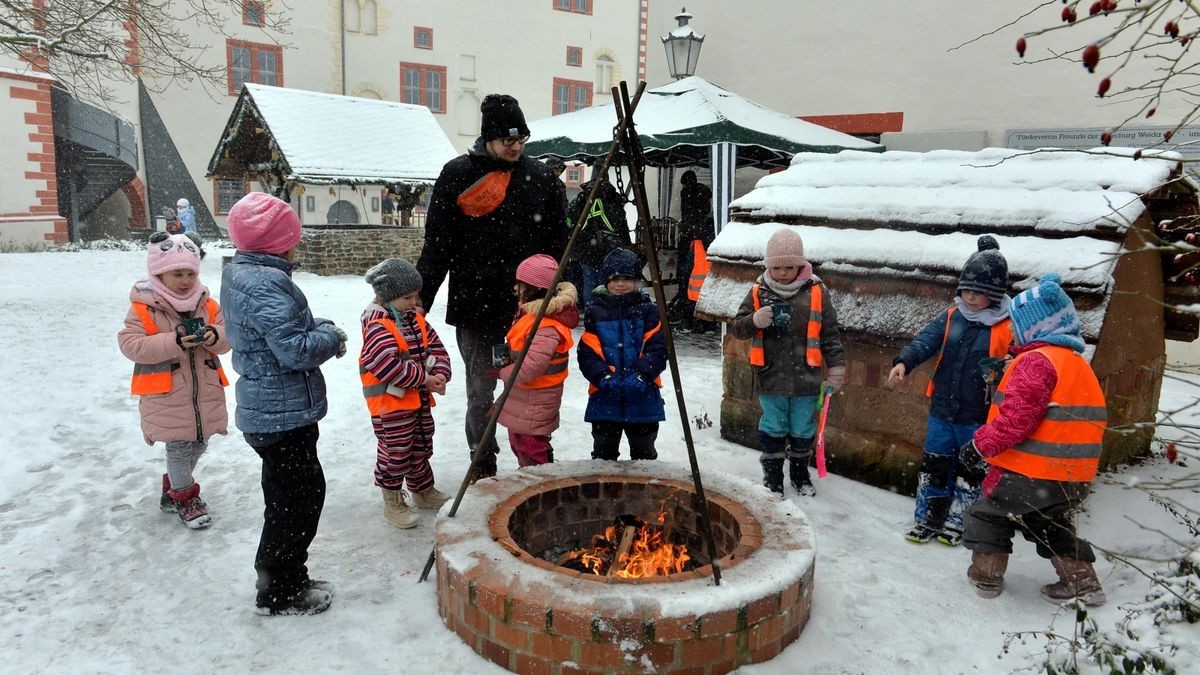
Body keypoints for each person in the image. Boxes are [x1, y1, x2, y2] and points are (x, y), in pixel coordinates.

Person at [416, 93, 566, 481]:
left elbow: (558, 245)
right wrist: (420, 300)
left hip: (528, 309)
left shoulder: (541, 178)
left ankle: (532, 464)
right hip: (476, 307)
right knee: (481, 392)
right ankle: (482, 463)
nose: (516, 147)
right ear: (488, 139)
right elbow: (438, 245)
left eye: (522, 140)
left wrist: (561, 292)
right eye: (507, 141)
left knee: (527, 387)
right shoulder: (458, 174)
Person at [220, 192, 349, 617]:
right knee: (295, 503)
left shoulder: (244, 271)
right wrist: (331, 334)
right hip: (280, 413)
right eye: (292, 235)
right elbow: (295, 350)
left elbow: (280, 333)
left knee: (293, 498)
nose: (297, 242)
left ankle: (288, 576)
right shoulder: (265, 283)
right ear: (279, 241)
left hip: (275, 408)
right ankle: (279, 590)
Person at [958, 273, 1108, 606]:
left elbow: (1016, 421)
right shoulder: (1076, 364)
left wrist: (978, 446)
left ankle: (986, 577)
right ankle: (1082, 582)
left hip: (1030, 469)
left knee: (988, 513)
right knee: (1049, 521)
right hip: (1073, 474)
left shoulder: (1035, 363)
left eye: (1015, 323)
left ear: (1036, 326)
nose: (1011, 329)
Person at [886, 236, 1013, 546]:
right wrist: (905, 361)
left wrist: (1011, 362)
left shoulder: (1007, 324)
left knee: (971, 471)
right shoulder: (952, 316)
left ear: (994, 295)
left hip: (980, 415)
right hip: (943, 410)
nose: (969, 298)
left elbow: (1021, 357)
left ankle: (961, 520)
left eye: (978, 293)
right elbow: (926, 340)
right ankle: (928, 515)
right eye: (966, 290)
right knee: (936, 464)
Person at [118, 232, 230, 529]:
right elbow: (131, 345)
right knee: (179, 447)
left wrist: (214, 336)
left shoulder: (208, 304)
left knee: (200, 443)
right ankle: (185, 497)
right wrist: (174, 341)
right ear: (159, 274)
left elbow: (228, 336)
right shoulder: (144, 306)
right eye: (177, 273)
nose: (185, 280)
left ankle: (173, 488)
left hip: (204, 392)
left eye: (190, 273)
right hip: (166, 394)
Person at [729, 228, 846, 497]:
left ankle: (800, 474)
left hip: (808, 376)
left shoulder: (817, 291)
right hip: (771, 375)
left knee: (803, 427)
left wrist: (836, 368)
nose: (782, 273)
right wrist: (755, 320)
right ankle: (773, 477)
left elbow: (829, 334)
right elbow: (737, 328)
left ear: (801, 264)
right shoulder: (758, 291)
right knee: (773, 425)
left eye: (789, 267)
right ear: (768, 265)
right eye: (777, 267)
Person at [360, 258, 454, 529]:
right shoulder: (378, 327)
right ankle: (393, 500)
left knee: (421, 445)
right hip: (391, 406)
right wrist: (424, 379)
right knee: (396, 452)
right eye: (407, 297)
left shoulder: (415, 320)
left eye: (416, 296)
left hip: (417, 401)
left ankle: (423, 490)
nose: (414, 302)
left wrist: (441, 374)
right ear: (386, 297)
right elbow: (387, 366)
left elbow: (436, 348)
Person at [577, 248, 667, 460]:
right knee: (603, 455)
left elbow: (658, 348)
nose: (620, 284)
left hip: (642, 395)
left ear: (636, 281)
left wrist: (643, 374)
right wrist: (602, 376)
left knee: (644, 455)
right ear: (605, 281)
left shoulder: (648, 311)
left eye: (626, 278)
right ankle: (605, 492)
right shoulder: (596, 312)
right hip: (605, 397)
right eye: (614, 278)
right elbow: (587, 352)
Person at [497, 254, 580, 467]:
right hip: (524, 395)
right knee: (520, 442)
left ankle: (539, 481)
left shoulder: (546, 326)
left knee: (531, 445)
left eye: (521, 285)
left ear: (535, 288)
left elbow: (533, 365)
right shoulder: (530, 315)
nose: (516, 289)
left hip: (536, 397)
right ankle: (532, 473)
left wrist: (503, 373)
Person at [566, 170, 630, 309]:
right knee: (604, 282)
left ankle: (591, 312)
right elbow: (619, 224)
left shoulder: (581, 198)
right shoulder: (612, 198)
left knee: (589, 282)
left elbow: (571, 221)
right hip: (607, 249)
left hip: (585, 248)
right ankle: (603, 311)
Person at [671, 170, 716, 333]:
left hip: (693, 241)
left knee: (687, 283)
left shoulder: (688, 193)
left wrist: (687, 230)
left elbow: (690, 217)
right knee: (704, 285)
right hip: (704, 242)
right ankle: (707, 323)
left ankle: (688, 321)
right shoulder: (704, 197)